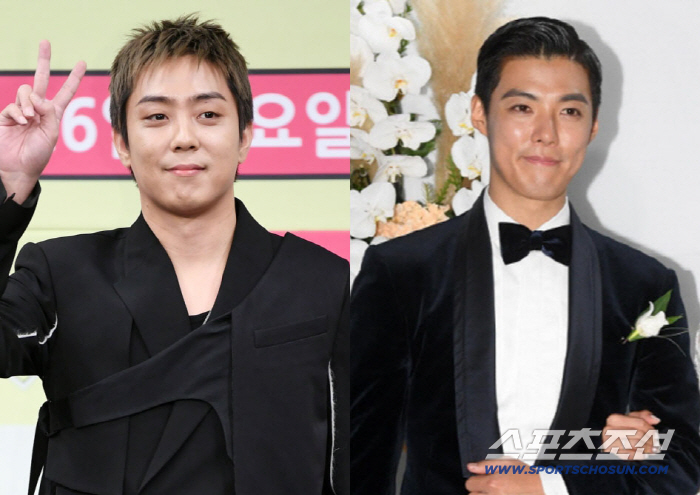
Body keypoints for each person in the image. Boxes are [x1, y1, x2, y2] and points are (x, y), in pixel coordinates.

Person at [350, 16, 700, 495]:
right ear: (479, 113)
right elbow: (360, 459)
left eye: (569, 111)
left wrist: (553, 486)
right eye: (522, 107)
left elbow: (679, 463)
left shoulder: (644, 284)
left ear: (594, 125)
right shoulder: (402, 271)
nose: (546, 133)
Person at [0, 15, 348, 495]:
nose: (184, 137)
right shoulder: (59, 274)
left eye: (208, 114)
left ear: (245, 136)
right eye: (157, 117)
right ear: (122, 143)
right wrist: (8, 185)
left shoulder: (323, 280)